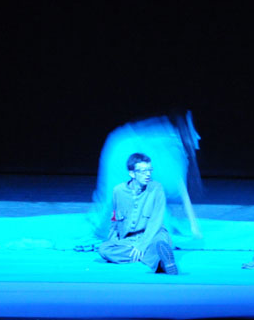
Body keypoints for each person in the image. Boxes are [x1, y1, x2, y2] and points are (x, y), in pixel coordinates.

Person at [84, 111, 203, 247]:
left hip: (122, 146)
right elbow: (173, 188)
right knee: (114, 206)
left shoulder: (168, 142)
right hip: (123, 152)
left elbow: (173, 189)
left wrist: (192, 225)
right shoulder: (169, 145)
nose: (198, 139)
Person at [97, 153, 178, 274]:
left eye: (149, 170)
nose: (148, 174)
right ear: (132, 173)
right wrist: (113, 240)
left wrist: (142, 244)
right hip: (129, 240)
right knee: (104, 249)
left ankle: (161, 260)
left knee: (160, 242)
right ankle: (157, 260)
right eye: (143, 171)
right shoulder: (118, 191)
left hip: (153, 234)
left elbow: (156, 221)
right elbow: (114, 219)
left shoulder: (156, 188)